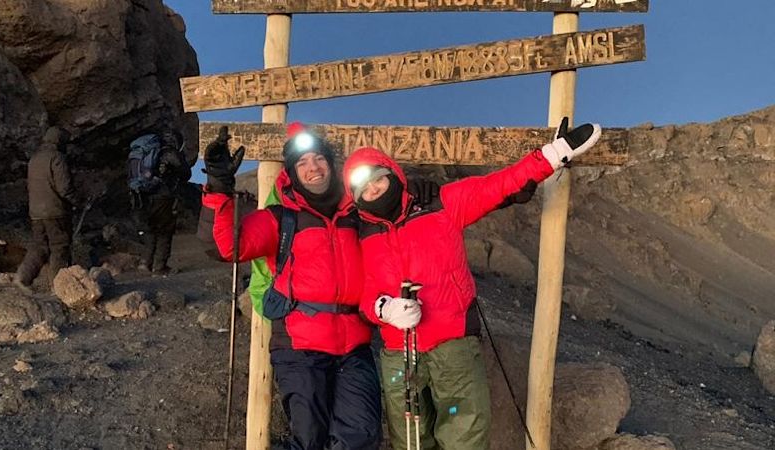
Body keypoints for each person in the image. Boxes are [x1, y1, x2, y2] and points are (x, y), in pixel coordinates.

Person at [341, 118, 602, 450]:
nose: (374, 190)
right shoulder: (359, 233)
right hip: (398, 354)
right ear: (355, 195)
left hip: (453, 348)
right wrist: (384, 308)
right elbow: (360, 290)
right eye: (364, 188)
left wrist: (552, 154)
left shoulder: (442, 203)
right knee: (410, 442)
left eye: (378, 178)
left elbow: (499, 185)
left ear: (392, 173)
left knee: (464, 437)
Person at [200, 123, 382, 450]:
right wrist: (217, 187)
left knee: (361, 437)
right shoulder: (281, 217)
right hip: (301, 346)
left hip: (355, 346)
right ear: (293, 173)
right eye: (302, 163)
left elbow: (396, 219)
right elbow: (227, 246)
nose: (313, 167)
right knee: (309, 439)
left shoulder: (357, 214)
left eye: (319, 159)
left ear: (331, 163)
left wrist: (419, 194)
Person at [14, 126, 78, 294]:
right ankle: (58, 287)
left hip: (35, 212)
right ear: (59, 142)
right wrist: (77, 200)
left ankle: (22, 277)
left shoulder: (34, 159)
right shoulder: (57, 158)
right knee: (59, 246)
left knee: (40, 246)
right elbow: (64, 188)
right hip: (55, 211)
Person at [135, 130, 190, 275]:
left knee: (150, 229)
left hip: (147, 196)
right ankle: (160, 266)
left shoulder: (151, 153)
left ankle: (145, 262)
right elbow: (186, 173)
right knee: (165, 231)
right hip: (164, 197)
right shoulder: (171, 153)